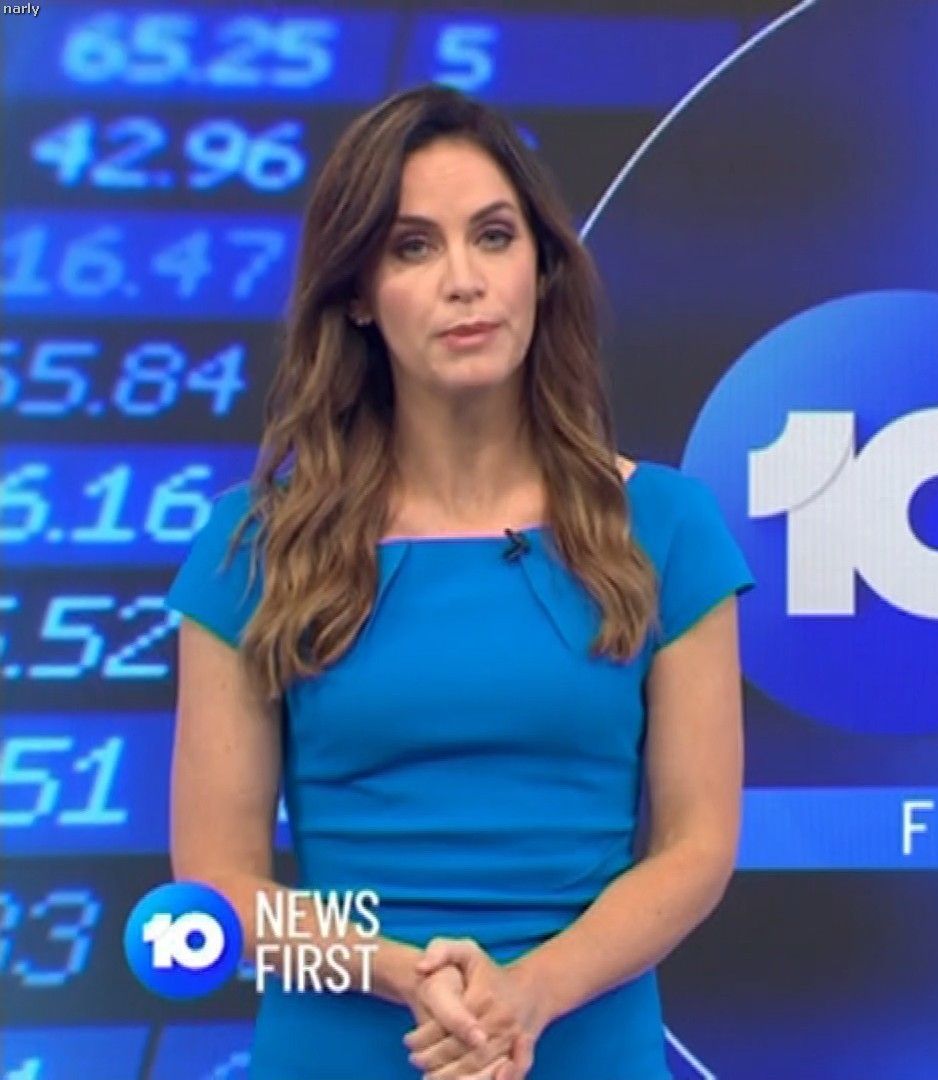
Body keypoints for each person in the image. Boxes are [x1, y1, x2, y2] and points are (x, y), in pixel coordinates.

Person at [166, 85, 753, 1080]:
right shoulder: (252, 545)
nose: (465, 281)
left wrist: (532, 993)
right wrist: (405, 976)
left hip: (583, 1047)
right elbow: (217, 886)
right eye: (413, 248)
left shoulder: (668, 526)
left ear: (540, 270)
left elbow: (697, 849)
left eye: (493, 236)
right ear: (358, 293)